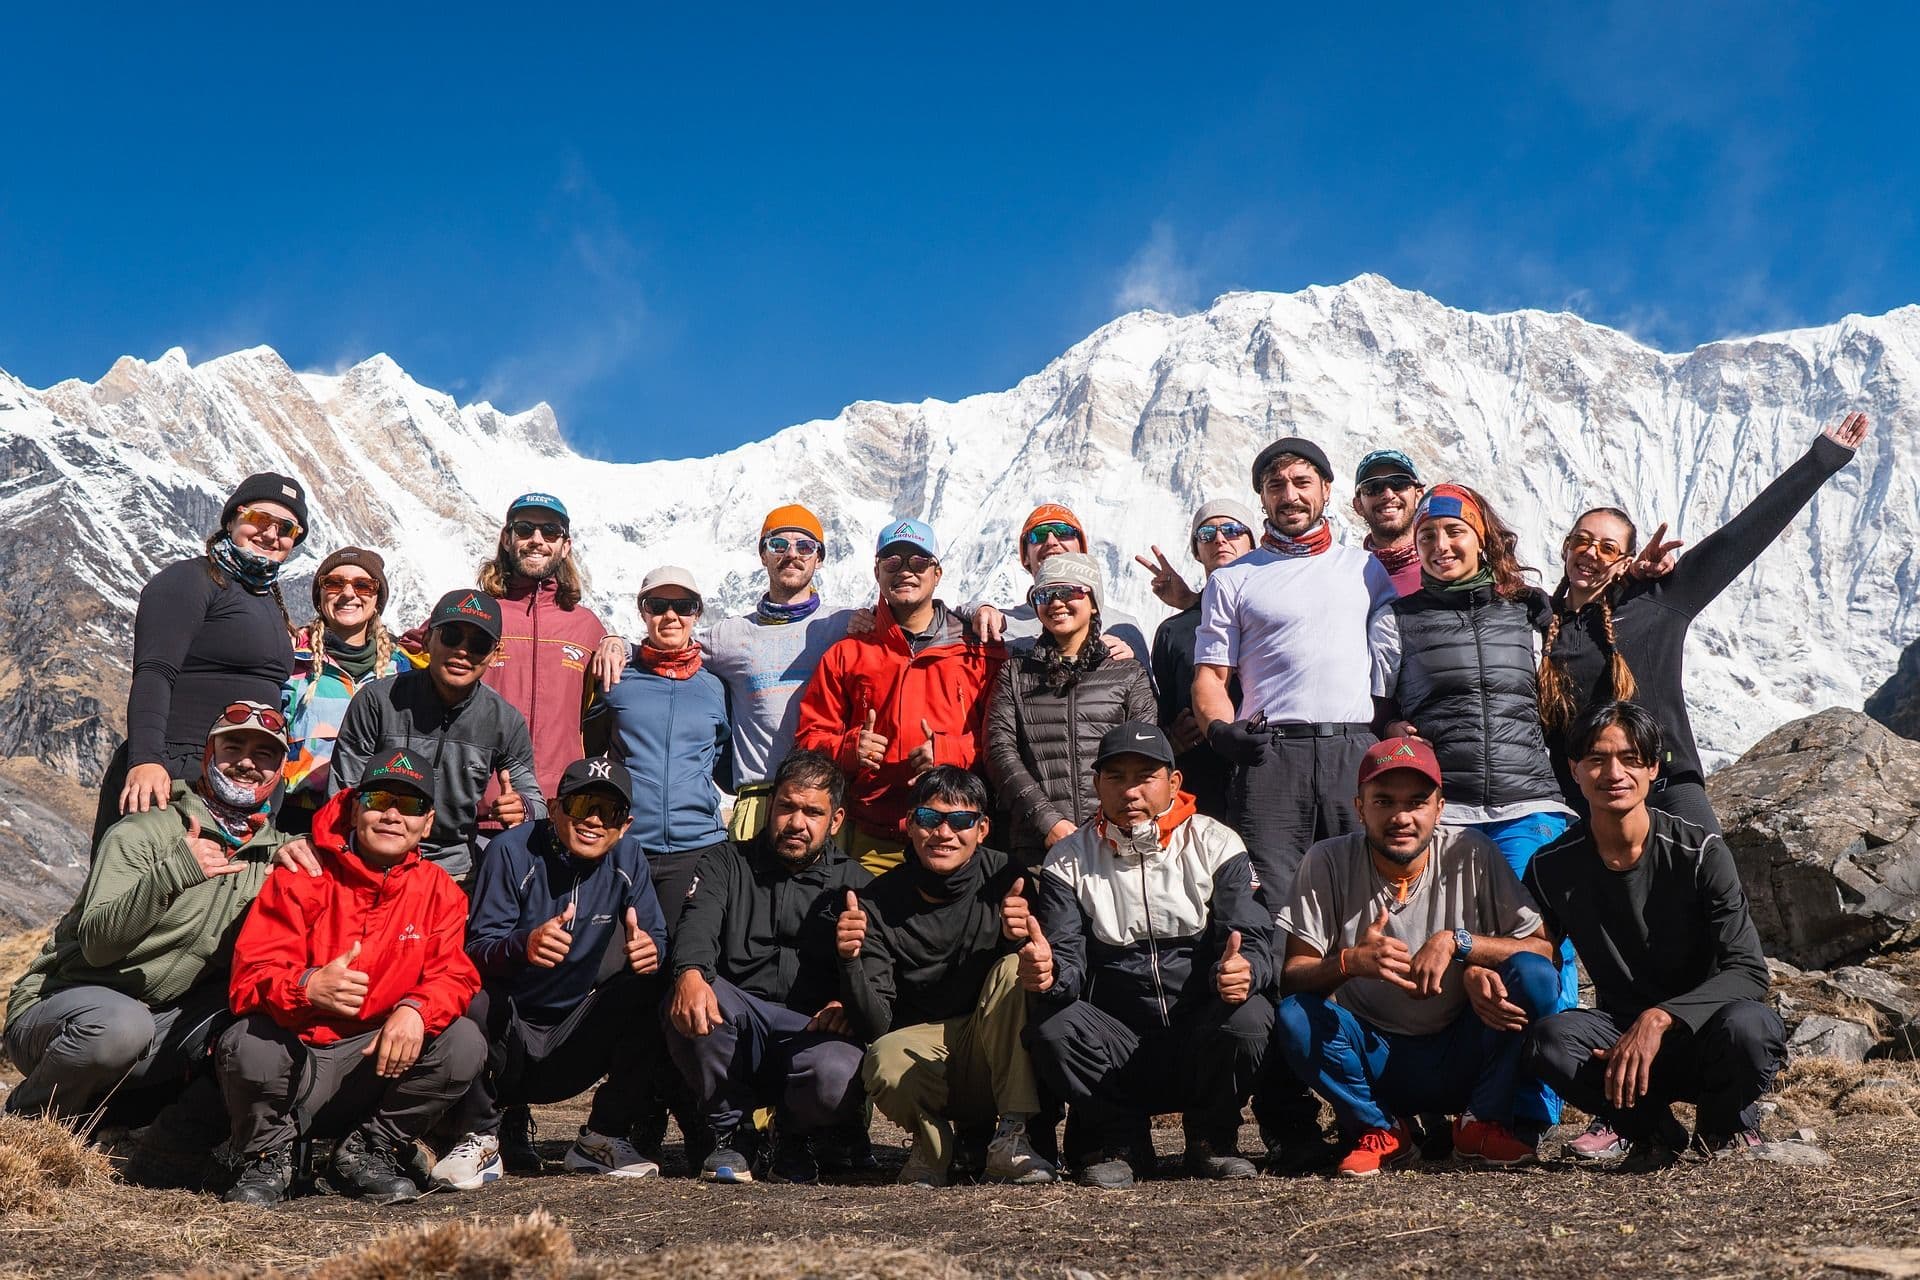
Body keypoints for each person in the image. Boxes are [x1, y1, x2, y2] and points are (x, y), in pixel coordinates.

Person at [1537, 411, 1871, 834]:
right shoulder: (1541, 624)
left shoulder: (1657, 601)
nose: (1590, 554)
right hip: (1588, 805)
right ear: (1566, 548)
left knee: (1712, 897)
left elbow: (1736, 540)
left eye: (1607, 548)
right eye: (1582, 542)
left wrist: (1821, 461)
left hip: (1669, 791)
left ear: (1624, 560)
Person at [1269, 736, 1560, 1178]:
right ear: (1360, 807)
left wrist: (1462, 946)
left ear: (1440, 808)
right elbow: (1293, 977)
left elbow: (1543, 948)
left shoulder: (1472, 853)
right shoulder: (1327, 860)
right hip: (1376, 1055)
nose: (1401, 817)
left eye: (1417, 802)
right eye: (1383, 801)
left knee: (1533, 976)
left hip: (1463, 1046)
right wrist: (1349, 963)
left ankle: (1480, 1122)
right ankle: (1382, 1130)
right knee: (1294, 1016)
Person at [1522, 701, 1785, 1166]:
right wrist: (1471, 956)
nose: (1613, 773)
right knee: (1550, 1041)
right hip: (1620, 1045)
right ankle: (1651, 1132)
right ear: (1574, 770)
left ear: (1653, 768)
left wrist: (1661, 1016)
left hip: (1707, 1032)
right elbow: (1532, 946)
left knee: (1753, 1027)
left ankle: (1723, 1127)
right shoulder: (1552, 865)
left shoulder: (1700, 852)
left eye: (1630, 759)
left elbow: (1748, 970)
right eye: (1597, 759)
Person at [217, 749, 484, 1206]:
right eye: (380, 798)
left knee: (464, 1043)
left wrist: (416, 1010)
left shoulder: (439, 889)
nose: (393, 815)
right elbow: (249, 979)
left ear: (428, 821)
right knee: (246, 1043)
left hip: (374, 1063)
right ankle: (267, 1155)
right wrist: (307, 987)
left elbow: (453, 975)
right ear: (356, 805)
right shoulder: (301, 873)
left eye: (411, 805)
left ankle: (367, 1150)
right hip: (298, 1060)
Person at [6, 703, 292, 1121]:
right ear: (209, 754)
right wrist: (174, 872)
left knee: (257, 1010)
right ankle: (28, 1120)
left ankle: (145, 1130)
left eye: (264, 754)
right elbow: (99, 946)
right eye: (233, 747)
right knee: (120, 1028)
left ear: (281, 770)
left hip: (159, 1023)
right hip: (61, 1011)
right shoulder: (144, 830)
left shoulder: (275, 853)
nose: (247, 762)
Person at [1017, 721, 1272, 1189]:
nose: (1129, 790)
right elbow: (1067, 958)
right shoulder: (1067, 859)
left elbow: (1250, 934)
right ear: (1096, 784)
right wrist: (1051, 974)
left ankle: (1212, 1141)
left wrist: (1244, 970)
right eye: (1115, 776)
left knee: (1251, 1014)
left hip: (1198, 1030)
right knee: (1052, 1026)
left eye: (1144, 776)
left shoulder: (1218, 842)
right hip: (1117, 1038)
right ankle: (1119, 1143)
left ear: (1174, 782)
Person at [1370, 485, 1579, 1008]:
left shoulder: (1529, 611)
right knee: (1456, 953)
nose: (1441, 545)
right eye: (1427, 536)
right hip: (1447, 814)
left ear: (1481, 538)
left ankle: (1559, 1064)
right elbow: (1373, 711)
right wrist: (1391, 730)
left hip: (1530, 804)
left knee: (1542, 946)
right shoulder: (1397, 619)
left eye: (1454, 531)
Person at [433, 757, 670, 1189]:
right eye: (582, 805)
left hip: (572, 1038)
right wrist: (523, 945)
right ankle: (482, 1138)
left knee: (656, 987)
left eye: (609, 811)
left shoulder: (629, 857)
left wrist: (649, 951)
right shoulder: (510, 850)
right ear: (554, 806)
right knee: (462, 992)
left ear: (626, 825)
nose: (594, 821)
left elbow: (654, 935)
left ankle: (602, 1137)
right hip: (508, 1037)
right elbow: (476, 949)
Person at [1192, 436, 1397, 910]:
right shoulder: (1233, 578)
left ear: (1326, 490)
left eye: (1302, 482)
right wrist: (1220, 729)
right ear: (1261, 498)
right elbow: (1210, 675)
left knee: (1371, 892)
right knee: (1277, 904)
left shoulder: (1366, 569)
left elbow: (1392, 663)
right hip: (1271, 757)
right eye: (1275, 485)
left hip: (1354, 748)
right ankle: (1289, 987)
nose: (1290, 495)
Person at [661, 750, 872, 1185]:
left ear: (835, 821)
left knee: (839, 1072)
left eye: (813, 812)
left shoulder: (860, 884)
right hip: (739, 1022)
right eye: (787, 807)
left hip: (812, 1031)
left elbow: (876, 972)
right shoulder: (724, 861)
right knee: (694, 989)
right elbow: (696, 926)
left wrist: (848, 999)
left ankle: (795, 1137)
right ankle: (732, 1131)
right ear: (769, 805)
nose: (797, 823)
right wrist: (690, 972)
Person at [838, 767, 1056, 1187]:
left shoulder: (1007, 879)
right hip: (925, 1049)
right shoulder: (878, 901)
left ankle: (1011, 1135)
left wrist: (1020, 941)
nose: (944, 833)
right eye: (928, 818)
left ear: (982, 828)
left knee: (1016, 969)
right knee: (883, 1057)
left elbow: (1038, 985)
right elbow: (875, 1025)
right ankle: (934, 1145)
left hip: (993, 1047)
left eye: (960, 821)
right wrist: (849, 961)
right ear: (908, 824)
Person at [95, 473, 307, 845]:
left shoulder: (265, 597)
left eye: (287, 529)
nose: (272, 534)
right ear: (232, 519)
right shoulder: (190, 580)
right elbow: (154, 672)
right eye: (259, 520)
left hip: (243, 780)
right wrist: (146, 760)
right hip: (179, 773)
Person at [794, 517, 1006, 873]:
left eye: (918, 562)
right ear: (877, 572)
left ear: (936, 573)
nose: (905, 571)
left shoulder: (980, 654)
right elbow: (808, 738)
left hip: (957, 834)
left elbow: (1005, 740)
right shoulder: (847, 654)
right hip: (876, 840)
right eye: (893, 562)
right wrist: (849, 749)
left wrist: (950, 752)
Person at [328, 589, 543, 878]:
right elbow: (343, 793)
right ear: (428, 639)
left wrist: (523, 808)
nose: (463, 651)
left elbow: (535, 801)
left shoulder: (505, 720)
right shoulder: (377, 700)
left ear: (494, 654)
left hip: (453, 868)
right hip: (372, 858)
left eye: (479, 644)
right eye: (451, 636)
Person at [670, 504, 854, 842]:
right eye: (778, 545)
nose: (792, 555)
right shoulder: (730, 635)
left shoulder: (843, 624)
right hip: (757, 803)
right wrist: (616, 645)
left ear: (820, 557)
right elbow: (669, 646)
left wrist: (979, 609)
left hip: (821, 803)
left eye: (805, 546)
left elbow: (917, 621)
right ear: (763, 554)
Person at [456, 493, 611, 840]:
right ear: (507, 538)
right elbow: (411, 650)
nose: (537, 540)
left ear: (565, 545)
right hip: (480, 815)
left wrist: (615, 641)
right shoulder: (479, 613)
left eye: (550, 532)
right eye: (525, 528)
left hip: (563, 814)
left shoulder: (587, 627)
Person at [582, 566, 730, 927]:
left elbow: (722, 765)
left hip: (699, 847)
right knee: (618, 965)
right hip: (627, 844)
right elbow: (589, 752)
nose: (670, 615)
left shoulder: (715, 688)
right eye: (658, 604)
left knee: (682, 960)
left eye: (683, 606)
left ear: (697, 613)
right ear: (643, 611)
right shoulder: (616, 678)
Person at [985, 553, 1155, 865]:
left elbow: (1145, 756)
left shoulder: (1128, 673)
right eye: (1045, 594)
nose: (1057, 603)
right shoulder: (1015, 674)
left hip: (1118, 843)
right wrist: (1047, 821)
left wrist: (1111, 822)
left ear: (1093, 602)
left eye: (1069, 592)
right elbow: (1000, 752)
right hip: (1039, 849)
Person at [1141, 499, 1259, 821]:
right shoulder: (1173, 631)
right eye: (1208, 533)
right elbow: (1161, 711)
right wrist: (1172, 739)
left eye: (1233, 530)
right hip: (1199, 783)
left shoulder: (1274, 615)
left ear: (1254, 542)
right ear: (1196, 550)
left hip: (1267, 771)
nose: (1221, 539)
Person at [280, 547, 411, 835]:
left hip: (375, 819)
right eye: (334, 583)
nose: (348, 593)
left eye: (363, 585)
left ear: (377, 599)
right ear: (320, 595)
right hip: (295, 817)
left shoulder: (401, 670)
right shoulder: (290, 660)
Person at [960, 505, 1152, 661]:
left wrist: (1132, 664)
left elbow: (1150, 702)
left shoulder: (1123, 625)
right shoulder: (1002, 624)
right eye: (1038, 535)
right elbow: (939, 621)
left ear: (1081, 549)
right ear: (1025, 556)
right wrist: (976, 609)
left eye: (1064, 532)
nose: (1051, 541)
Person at [1350, 450, 1426, 597]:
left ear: (1419, 496)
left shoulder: (1446, 568)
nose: (1388, 495)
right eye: (1373, 487)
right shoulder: (1347, 579)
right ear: (1358, 505)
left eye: (1399, 483)